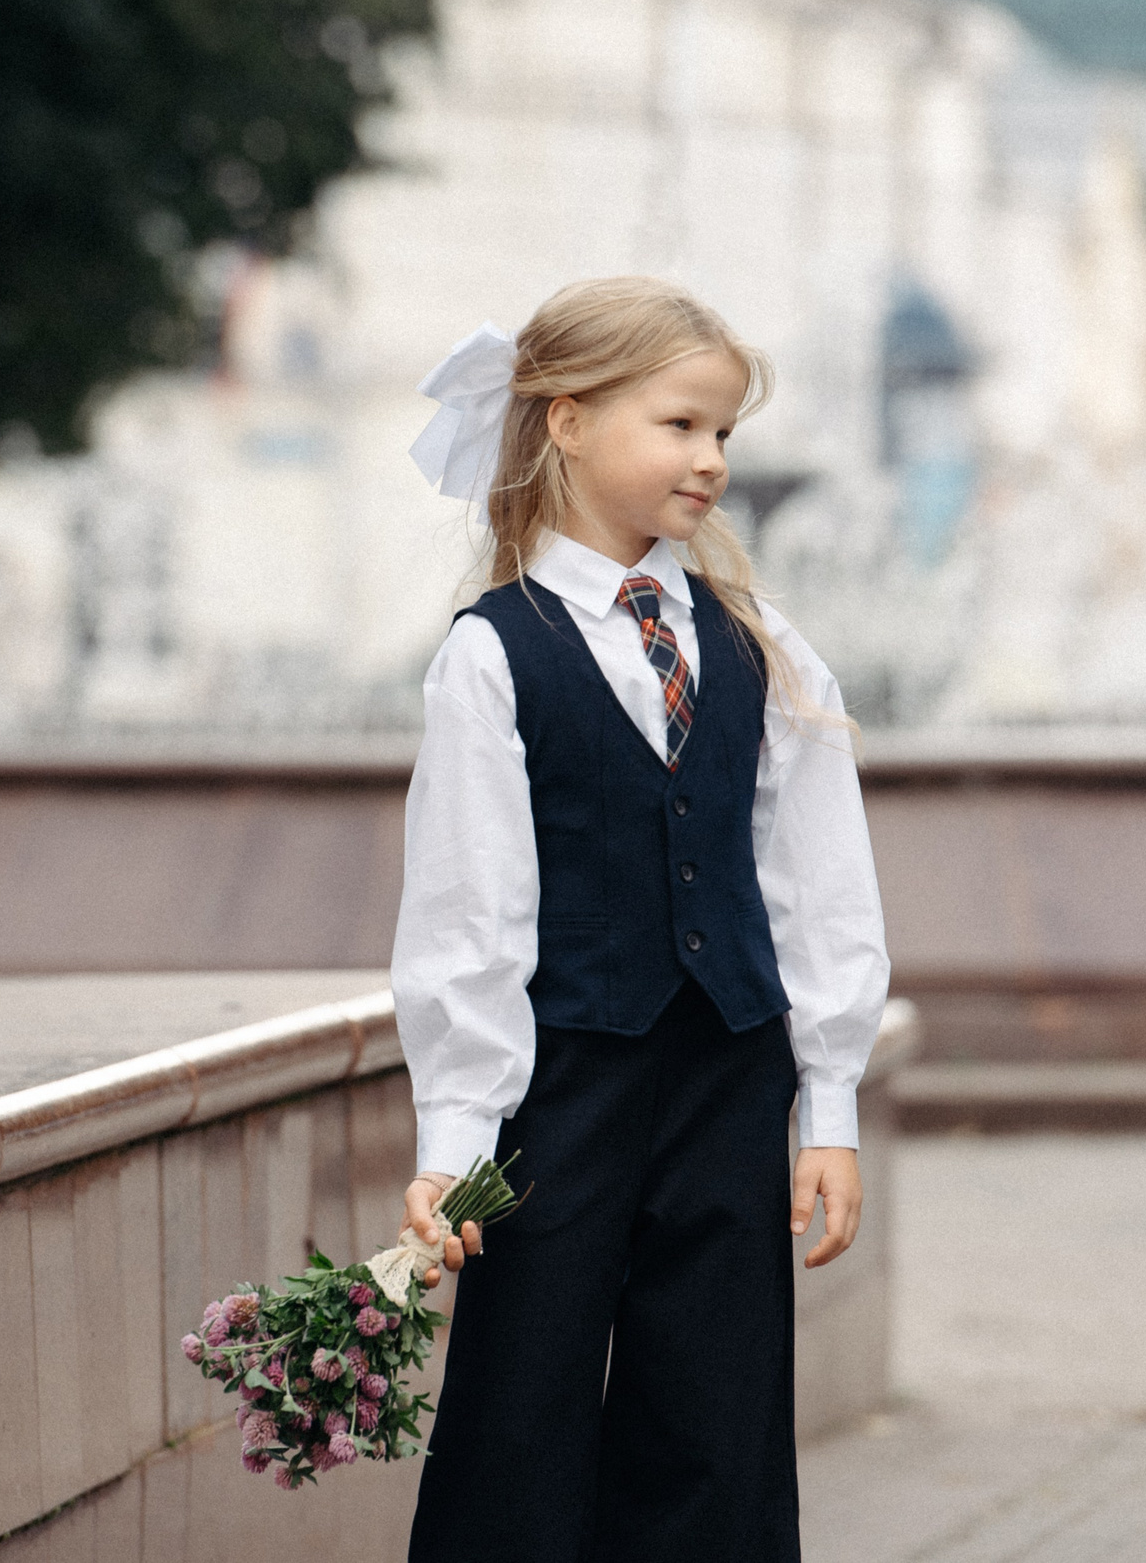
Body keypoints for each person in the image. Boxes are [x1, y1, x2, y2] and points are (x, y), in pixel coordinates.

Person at [389, 277, 891, 1561]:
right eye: (678, 425)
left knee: (716, 1419)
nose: (711, 460)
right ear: (564, 422)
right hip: (559, 1091)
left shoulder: (756, 639)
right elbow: (470, 915)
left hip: (727, 1075)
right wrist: (456, 1134)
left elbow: (817, 880)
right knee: (520, 1414)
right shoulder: (493, 652)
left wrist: (824, 1101)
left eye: (723, 433)